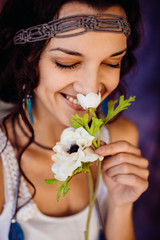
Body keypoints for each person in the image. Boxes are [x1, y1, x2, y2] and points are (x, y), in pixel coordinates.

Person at [0, 0, 149, 239]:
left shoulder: (121, 139)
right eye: (67, 63)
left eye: (112, 62)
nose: (91, 90)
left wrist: (121, 206)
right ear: (26, 57)